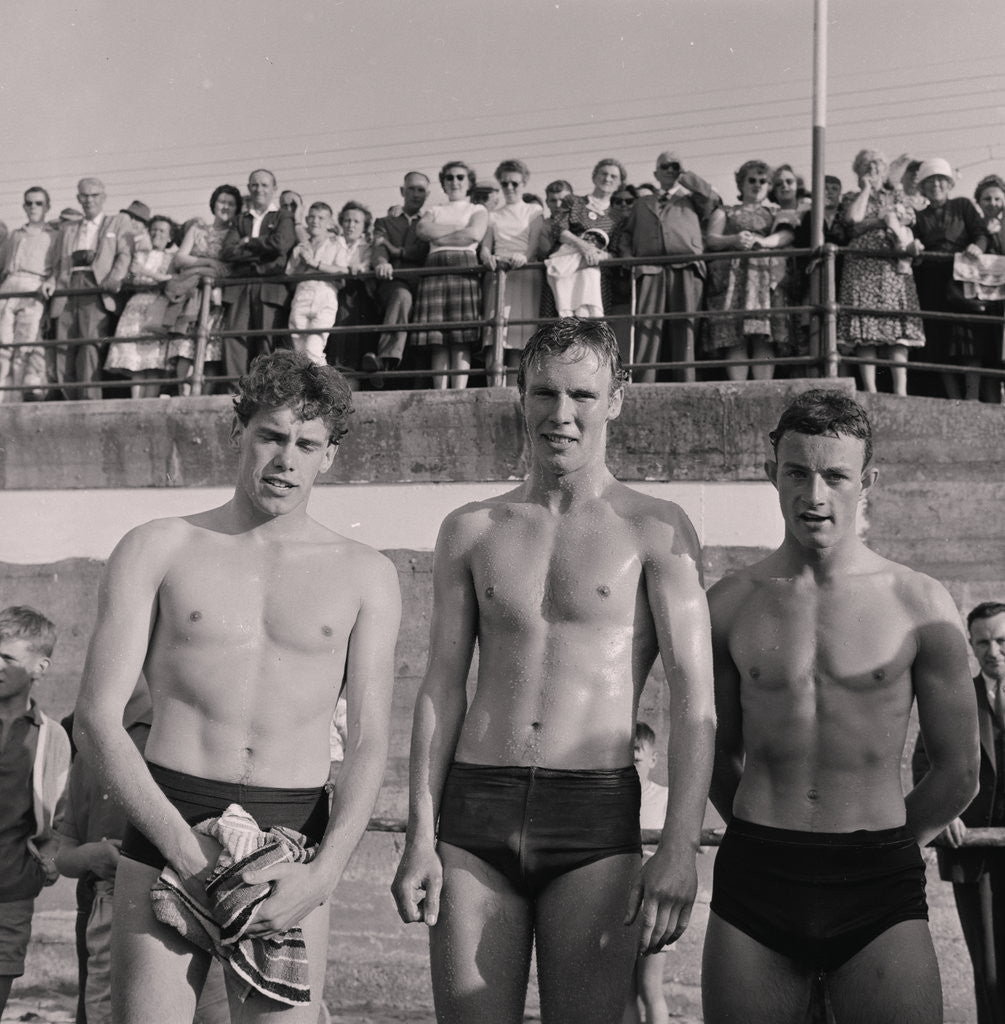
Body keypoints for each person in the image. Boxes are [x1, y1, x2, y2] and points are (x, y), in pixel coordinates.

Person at [391, 317, 715, 1024]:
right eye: (543, 393)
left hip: (592, 811)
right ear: (518, 394)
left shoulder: (654, 529)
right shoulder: (471, 528)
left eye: (581, 395)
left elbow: (694, 704)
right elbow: (442, 686)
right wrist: (420, 833)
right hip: (475, 807)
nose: (559, 415)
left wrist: (680, 849)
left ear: (617, 400)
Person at [72, 350, 401, 1023]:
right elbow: (97, 720)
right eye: (271, 436)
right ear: (238, 433)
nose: (286, 459)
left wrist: (326, 872)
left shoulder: (365, 574)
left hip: (292, 835)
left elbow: (368, 741)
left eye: (306, 444)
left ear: (328, 456)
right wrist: (182, 848)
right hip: (170, 816)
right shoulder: (159, 546)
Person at [702, 388, 979, 1024]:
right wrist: (761, 834)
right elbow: (713, 754)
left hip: (878, 877)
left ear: (868, 482)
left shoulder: (920, 603)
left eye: (835, 475)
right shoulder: (730, 604)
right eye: (797, 472)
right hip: (759, 874)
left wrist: (883, 848)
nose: (815, 495)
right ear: (772, 473)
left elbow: (960, 770)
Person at [913, 601, 1005, 1024]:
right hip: (975, 853)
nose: (994, 651)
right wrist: (944, 811)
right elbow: (924, 761)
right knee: (989, 971)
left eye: (1003, 640)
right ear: (970, 644)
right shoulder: (956, 697)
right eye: (983, 641)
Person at [0, 606, 69, 1017]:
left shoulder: (52, 736)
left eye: (8, 658)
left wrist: (47, 862)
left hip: (10, 894)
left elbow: (59, 816)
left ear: (40, 666)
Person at [615, 150, 715, 383]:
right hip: (650, 269)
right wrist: (630, 258)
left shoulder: (692, 198)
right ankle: (644, 382)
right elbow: (626, 235)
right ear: (655, 173)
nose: (670, 170)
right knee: (648, 328)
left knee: (686, 326)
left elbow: (710, 197)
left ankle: (686, 381)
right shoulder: (642, 203)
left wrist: (685, 175)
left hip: (687, 267)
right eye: (665, 166)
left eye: (674, 166)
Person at [836, 150, 925, 396]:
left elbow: (908, 219)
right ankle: (871, 390)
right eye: (867, 167)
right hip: (861, 269)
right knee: (866, 331)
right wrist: (869, 196)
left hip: (891, 270)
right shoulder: (852, 197)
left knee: (896, 331)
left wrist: (875, 222)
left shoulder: (895, 195)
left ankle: (900, 391)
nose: (872, 171)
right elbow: (852, 221)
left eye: (877, 167)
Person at [704, 160, 795, 381]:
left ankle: (763, 385)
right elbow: (712, 239)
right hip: (734, 279)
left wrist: (763, 242)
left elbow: (787, 235)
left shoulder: (777, 212)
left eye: (763, 181)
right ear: (741, 184)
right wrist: (734, 239)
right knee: (736, 335)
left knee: (764, 335)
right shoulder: (726, 211)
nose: (757, 185)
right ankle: (739, 386)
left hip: (765, 278)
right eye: (751, 180)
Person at [49, 178, 138, 399]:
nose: (89, 200)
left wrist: (113, 279)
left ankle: (88, 403)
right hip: (68, 287)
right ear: (78, 198)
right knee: (64, 346)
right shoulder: (68, 228)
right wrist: (51, 281)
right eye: (84, 196)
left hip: (96, 287)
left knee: (89, 345)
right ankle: (67, 402)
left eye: (94, 195)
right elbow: (57, 263)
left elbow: (125, 254)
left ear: (103, 197)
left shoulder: (116, 221)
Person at [911, 157, 990, 401]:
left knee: (967, 340)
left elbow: (981, 233)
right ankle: (954, 400)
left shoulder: (963, 206)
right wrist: (912, 245)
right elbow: (911, 242)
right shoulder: (917, 216)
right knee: (939, 342)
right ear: (922, 187)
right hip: (931, 283)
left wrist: (978, 246)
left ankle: (972, 398)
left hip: (962, 279)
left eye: (941, 180)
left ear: (949, 183)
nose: (936, 185)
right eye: (930, 181)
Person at [412, 161, 488, 390]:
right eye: (450, 178)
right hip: (435, 268)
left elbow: (475, 233)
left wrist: (440, 235)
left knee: (460, 335)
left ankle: (458, 391)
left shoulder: (477, 209)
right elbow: (423, 231)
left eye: (460, 177)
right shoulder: (434, 210)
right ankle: (440, 391)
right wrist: (458, 232)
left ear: (469, 183)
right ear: (443, 183)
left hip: (464, 267)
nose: (455, 182)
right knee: (438, 339)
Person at [164, 184, 243, 395]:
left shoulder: (235, 233)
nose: (225, 207)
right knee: (185, 346)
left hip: (217, 298)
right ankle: (183, 394)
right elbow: (180, 257)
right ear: (213, 204)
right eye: (221, 201)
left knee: (210, 348)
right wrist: (207, 262)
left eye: (230, 203)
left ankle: (203, 395)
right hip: (192, 293)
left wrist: (201, 266)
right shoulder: (198, 229)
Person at [220, 168, 297, 381]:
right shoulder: (240, 220)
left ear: (274, 188)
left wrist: (249, 243)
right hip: (240, 287)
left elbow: (281, 244)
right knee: (235, 339)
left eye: (264, 185)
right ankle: (233, 393)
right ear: (248, 188)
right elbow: (228, 251)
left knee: (267, 340)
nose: (259, 189)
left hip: (270, 286)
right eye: (254, 185)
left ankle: (266, 394)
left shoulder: (283, 216)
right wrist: (263, 251)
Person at [480, 159, 545, 384]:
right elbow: (485, 247)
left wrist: (524, 257)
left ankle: (514, 392)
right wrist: (488, 258)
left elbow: (534, 243)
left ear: (524, 183)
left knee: (519, 339)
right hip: (500, 275)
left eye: (515, 183)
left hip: (524, 274)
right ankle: (494, 389)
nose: (510, 188)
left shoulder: (533, 211)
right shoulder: (493, 215)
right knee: (495, 336)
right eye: (505, 183)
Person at [622, 722, 671, 1024]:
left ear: (653, 759)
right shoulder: (614, 800)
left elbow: (692, 846)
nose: (633, 764)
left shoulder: (665, 798)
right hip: (619, 898)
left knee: (650, 987)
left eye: (638, 759)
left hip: (653, 898)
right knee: (624, 991)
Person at [366, 172, 431, 384]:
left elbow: (422, 251)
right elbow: (378, 248)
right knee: (402, 297)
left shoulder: (430, 221)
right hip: (394, 285)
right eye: (411, 188)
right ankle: (385, 362)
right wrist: (382, 262)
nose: (415, 194)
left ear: (427, 194)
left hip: (423, 285)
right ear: (402, 191)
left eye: (421, 190)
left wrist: (395, 250)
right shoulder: (385, 221)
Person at [105, 214, 178, 398]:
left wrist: (145, 273)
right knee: (135, 359)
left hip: (157, 306)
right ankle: (135, 400)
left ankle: (150, 400)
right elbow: (129, 277)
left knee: (152, 360)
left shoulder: (172, 258)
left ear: (170, 236)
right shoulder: (140, 254)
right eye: (153, 230)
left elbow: (169, 280)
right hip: (135, 306)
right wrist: (133, 276)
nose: (157, 234)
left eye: (162, 231)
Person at [0, 187, 57, 402]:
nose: (33, 207)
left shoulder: (53, 236)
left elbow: (58, 267)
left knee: (23, 346)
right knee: (3, 346)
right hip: (8, 288)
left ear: (47, 207)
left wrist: (50, 281)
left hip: (33, 286)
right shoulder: (14, 235)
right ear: (24, 206)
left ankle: (14, 401)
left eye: (39, 203)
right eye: (29, 203)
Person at [286, 202, 345, 367]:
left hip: (324, 297)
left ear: (330, 223)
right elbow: (289, 274)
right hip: (302, 297)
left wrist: (315, 264)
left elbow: (342, 271)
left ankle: (323, 389)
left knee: (314, 348)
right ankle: (308, 391)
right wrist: (300, 263)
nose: (315, 221)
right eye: (311, 217)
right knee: (299, 352)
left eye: (321, 218)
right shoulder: (301, 247)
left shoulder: (336, 244)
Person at [971, 174, 1005, 403]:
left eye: (997, 199)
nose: (992, 203)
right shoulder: (973, 224)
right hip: (981, 298)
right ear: (979, 201)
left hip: (1003, 298)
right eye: (987, 199)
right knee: (988, 355)